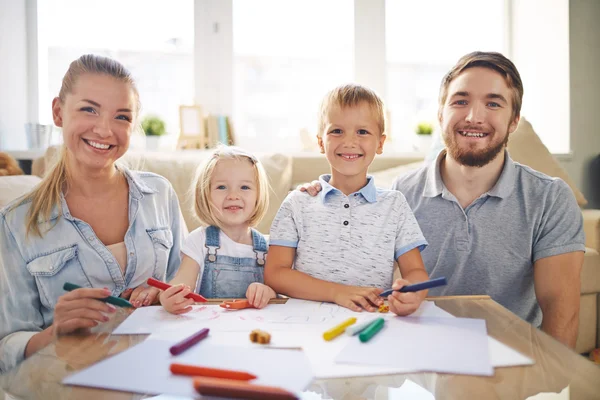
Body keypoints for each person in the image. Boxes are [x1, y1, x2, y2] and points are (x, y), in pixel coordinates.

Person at [301, 52, 585, 348]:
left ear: (513, 120)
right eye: (460, 101)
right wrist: (320, 196)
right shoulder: (400, 193)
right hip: (418, 359)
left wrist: (554, 386)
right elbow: (341, 258)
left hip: (511, 366)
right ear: (440, 114)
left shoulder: (550, 198)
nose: (474, 116)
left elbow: (560, 311)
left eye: (493, 103)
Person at [0, 54, 185, 373]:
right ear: (59, 112)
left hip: (161, 374)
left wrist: (167, 295)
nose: (104, 130)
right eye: (89, 109)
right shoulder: (15, 223)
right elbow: (7, 346)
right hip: (70, 382)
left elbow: (188, 285)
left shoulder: (160, 195)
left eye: (122, 117)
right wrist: (54, 333)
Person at [265, 84, 429, 316]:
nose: (349, 141)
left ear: (380, 143)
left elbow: (416, 272)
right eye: (337, 131)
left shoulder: (395, 205)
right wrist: (337, 292)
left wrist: (413, 292)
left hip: (373, 320)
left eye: (362, 132)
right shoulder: (297, 203)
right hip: (305, 322)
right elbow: (275, 273)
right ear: (321, 142)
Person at [155, 146, 276, 315]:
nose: (233, 195)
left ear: (259, 196)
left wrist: (268, 292)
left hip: (253, 330)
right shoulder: (199, 241)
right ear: (205, 194)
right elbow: (180, 284)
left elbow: (281, 295)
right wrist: (169, 298)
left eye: (245, 187)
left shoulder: (270, 248)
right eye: (221, 187)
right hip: (210, 328)